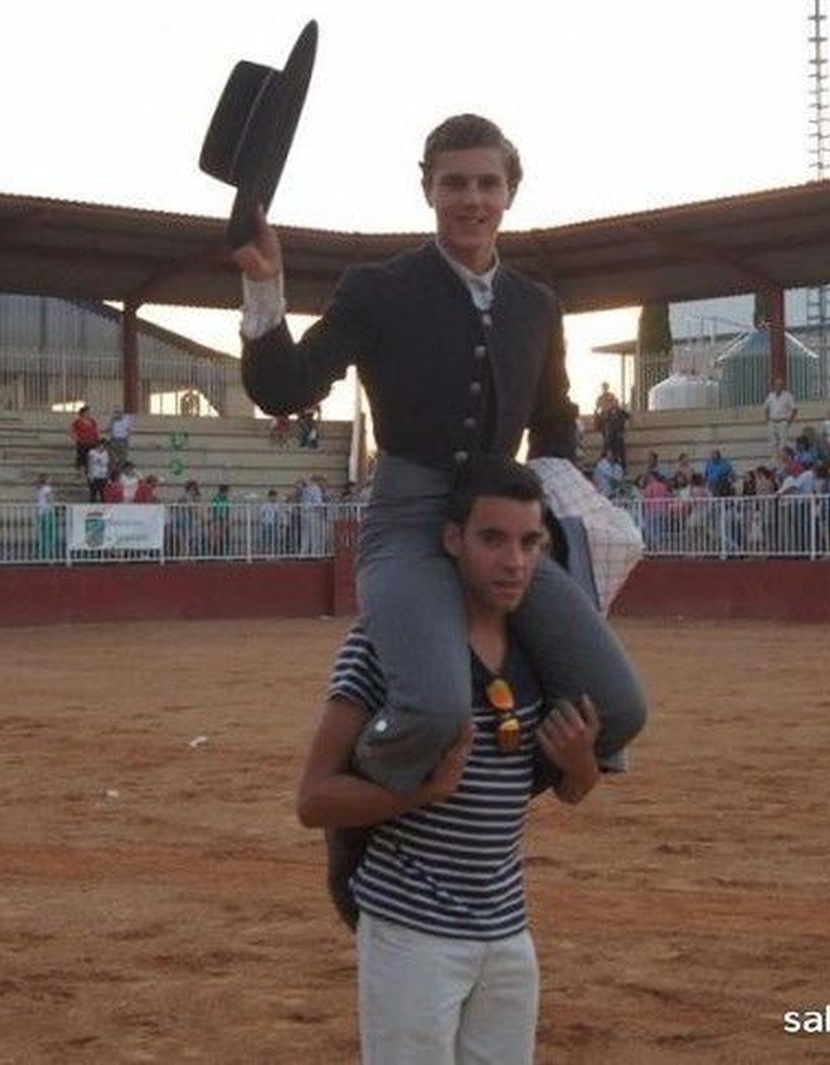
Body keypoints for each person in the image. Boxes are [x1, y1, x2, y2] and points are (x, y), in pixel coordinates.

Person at [234, 113, 645, 915]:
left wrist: (560, 500)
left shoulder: (536, 304)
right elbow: (285, 387)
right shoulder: (378, 288)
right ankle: (355, 830)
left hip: (500, 527)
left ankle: (483, 799)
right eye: (454, 182)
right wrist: (262, 287)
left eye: (487, 183)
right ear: (427, 188)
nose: (472, 198)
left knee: (619, 707)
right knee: (428, 705)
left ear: (510, 192)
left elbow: (554, 415)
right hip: (412, 526)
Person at [297, 456, 603, 1062]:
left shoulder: (536, 650)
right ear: (452, 539)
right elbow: (313, 799)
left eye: (529, 542)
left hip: (507, 931)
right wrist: (420, 792)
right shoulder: (387, 645)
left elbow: (567, 790)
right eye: (493, 539)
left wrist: (583, 764)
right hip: (411, 930)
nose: (514, 561)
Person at [764, 376, 797, 456]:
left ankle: (783, 461)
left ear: (783, 386)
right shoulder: (770, 395)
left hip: (783, 422)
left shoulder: (788, 395)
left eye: (780, 385)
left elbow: (794, 409)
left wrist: (790, 421)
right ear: (774, 386)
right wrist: (767, 420)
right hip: (772, 422)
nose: (778, 387)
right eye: (776, 385)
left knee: (783, 443)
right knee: (772, 444)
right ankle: (774, 463)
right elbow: (766, 408)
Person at [70, 405, 100, 472]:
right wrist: (76, 438)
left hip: (92, 442)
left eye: (89, 412)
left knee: (91, 458)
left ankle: (89, 472)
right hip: (82, 443)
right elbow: (72, 431)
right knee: (81, 458)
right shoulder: (78, 422)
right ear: (83, 413)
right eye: (87, 412)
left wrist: (97, 439)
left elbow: (95, 431)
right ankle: (79, 472)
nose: (88, 414)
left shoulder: (92, 421)